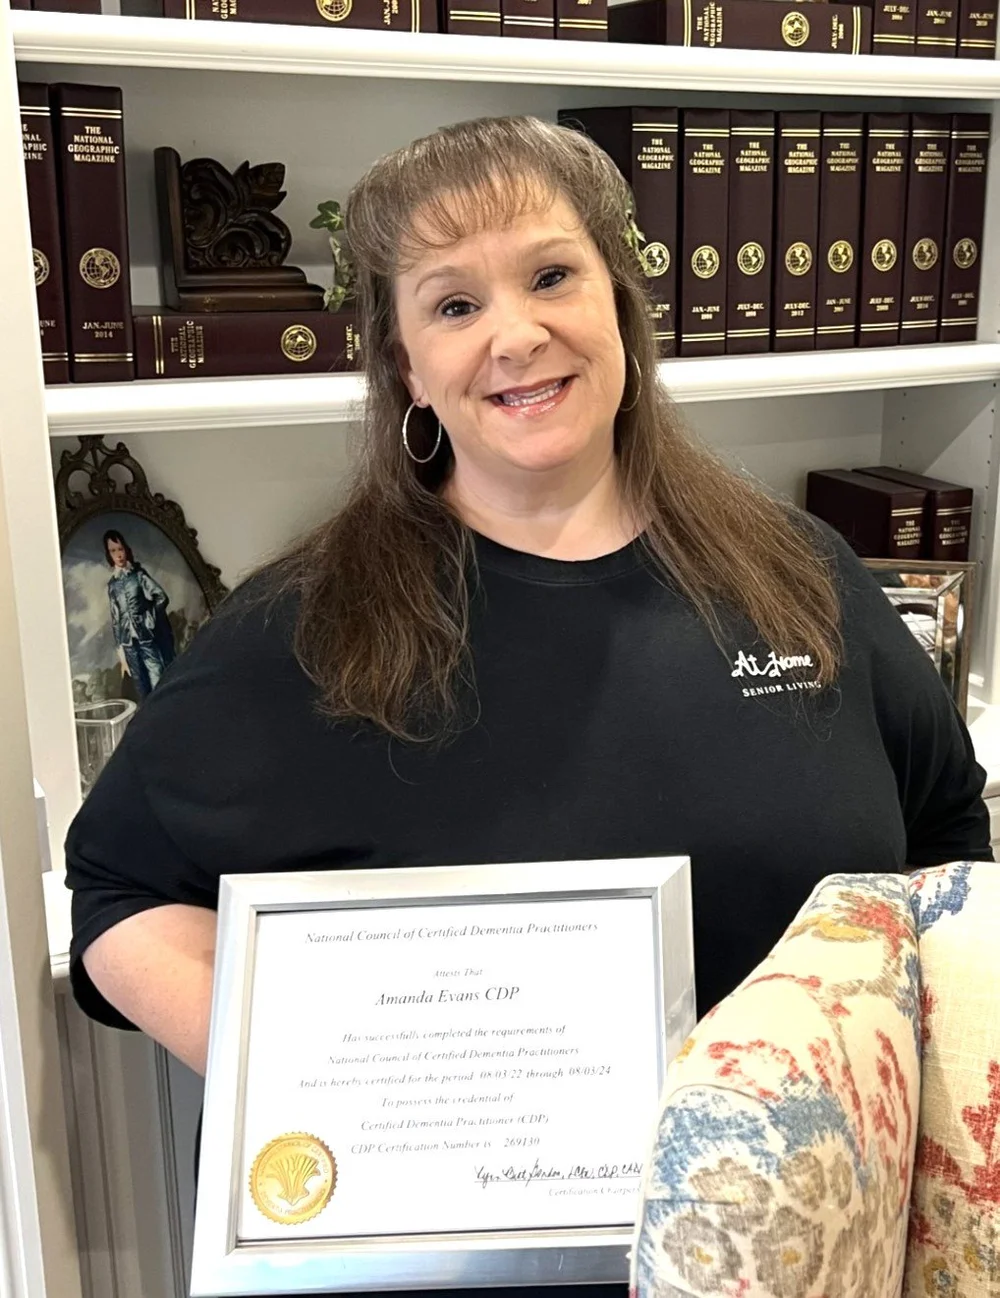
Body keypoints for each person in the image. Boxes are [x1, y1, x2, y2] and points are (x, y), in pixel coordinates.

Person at [67, 115, 990, 1294]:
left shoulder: (798, 573)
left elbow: (945, 854)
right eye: (453, 305)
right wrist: (295, 1086)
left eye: (551, 274)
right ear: (405, 362)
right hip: (461, 1269)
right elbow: (119, 892)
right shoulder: (306, 628)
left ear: (618, 302)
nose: (515, 333)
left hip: (803, 1260)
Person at [104, 529, 176, 699]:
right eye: (113, 551)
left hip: (146, 637)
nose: (118, 555)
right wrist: (120, 649)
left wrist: (149, 619)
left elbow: (161, 597)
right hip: (128, 643)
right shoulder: (112, 585)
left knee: (156, 677)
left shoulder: (138, 576)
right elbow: (116, 618)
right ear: (109, 554)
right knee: (140, 684)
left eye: (120, 549)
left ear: (126, 549)